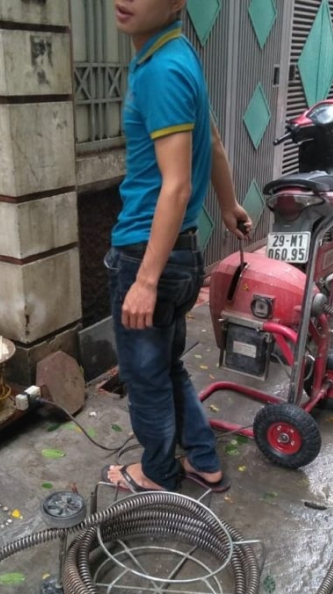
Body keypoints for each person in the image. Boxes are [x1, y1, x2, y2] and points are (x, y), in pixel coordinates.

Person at [102, 0, 252, 493]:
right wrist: (229, 205)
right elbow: (214, 142)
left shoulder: (161, 70)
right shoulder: (176, 54)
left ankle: (157, 474)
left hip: (148, 254)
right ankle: (203, 460)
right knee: (167, 367)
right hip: (180, 254)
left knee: (145, 378)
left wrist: (145, 280)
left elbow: (177, 185)